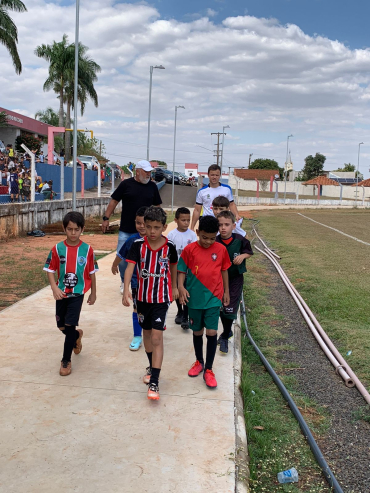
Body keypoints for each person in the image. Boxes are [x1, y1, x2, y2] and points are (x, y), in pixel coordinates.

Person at [123, 207, 178, 401]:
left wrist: (175, 288)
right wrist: (126, 289)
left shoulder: (170, 247)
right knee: (146, 335)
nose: (152, 231)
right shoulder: (138, 245)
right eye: (148, 227)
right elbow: (130, 267)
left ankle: (154, 381)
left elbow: (173, 267)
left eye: (156, 227)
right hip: (142, 298)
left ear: (164, 226)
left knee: (156, 337)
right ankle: (151, 366)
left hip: (161, 299)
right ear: (144, 226)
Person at [178, 215, 231, 389]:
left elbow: (224, 271)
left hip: (214, 299)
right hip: (194, 299)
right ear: (198, 232)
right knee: (198, 331)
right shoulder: (189, 249)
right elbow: (181, 270)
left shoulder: (221, 250)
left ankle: (209, 369)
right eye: (204, 237)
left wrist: (226, 292)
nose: (208, 242)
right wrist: (180, 288)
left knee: (211, 332)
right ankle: (199, 362)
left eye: (212, 238)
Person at [43, 211, 98, 376]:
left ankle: (66, 360)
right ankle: (76, 335)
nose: (73, 233)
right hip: (61, 294)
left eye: (76, 229)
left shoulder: (87, 250)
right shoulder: (57, 248)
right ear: (64, 229)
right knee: (61, 326)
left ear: (82, 229)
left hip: (77, 294)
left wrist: (93, 293)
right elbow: (50, 269)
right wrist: (54, 287)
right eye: (69, 229)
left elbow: (92, 273)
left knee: (69, 324)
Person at [101, 160, 162, 294]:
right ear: (138, 171)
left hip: (146, 231)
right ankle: (125, 281)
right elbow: (114, 201)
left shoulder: (152, 186)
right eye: (146, 172)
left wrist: (160, 224)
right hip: (126, 230)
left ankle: (143, 281)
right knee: (122, 257)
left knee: (145, 258)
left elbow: (157, 206)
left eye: (149, 172)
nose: (148, 174)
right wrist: (106, 218)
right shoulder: (126, 184)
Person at [216, 210, 253, 353]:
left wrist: (243, 256)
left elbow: (249, 252)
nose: (223, 228)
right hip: (218, 279)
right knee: (220, 307)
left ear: (234, 225)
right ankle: (227, 331)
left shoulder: (240, 240)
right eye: (220, 225)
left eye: (227, 224)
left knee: (230, 306)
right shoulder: (215, 241)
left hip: (235, 278)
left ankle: (225, 336)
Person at [111, 206, 148, 351]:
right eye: (138, 223)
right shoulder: (132, 240)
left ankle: (153, 330)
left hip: (153, 283)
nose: (142, 226)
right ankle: (137, 335)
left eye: (145, 223)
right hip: (136, 282)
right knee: (137, 308)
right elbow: (121, 254)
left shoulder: (157, 241)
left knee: (151, 309)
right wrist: (115, 265)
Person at [167, 207, 197, 329]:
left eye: (188, 220)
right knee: (178, 292)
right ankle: (180, 311)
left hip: (188, 270)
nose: (186, 222)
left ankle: (186, 316)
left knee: (187, 291)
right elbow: (168, 251)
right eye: (183, 220)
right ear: (176, 220)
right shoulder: (172, 235)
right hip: (175, 269)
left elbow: (195, 251)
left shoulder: (192, 235)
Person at [190, 164, 240, 230]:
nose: (214, 177)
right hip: (207, 222)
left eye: (217, 175)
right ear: (208, 175)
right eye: (212, 175)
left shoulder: (227, 189)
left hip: (222, 221)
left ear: (220, 176)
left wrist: (236, 214)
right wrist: (192, 227)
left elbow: (231, 204)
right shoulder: (201, 191)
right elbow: (197, 210)